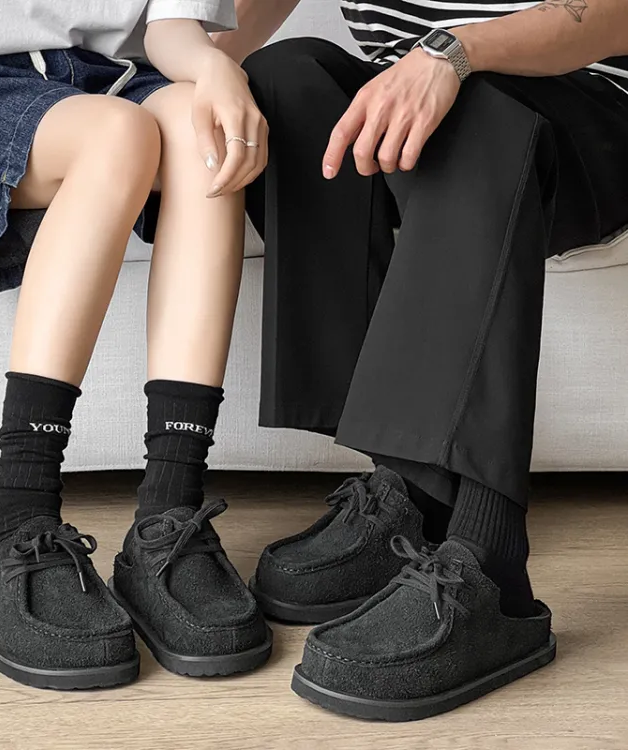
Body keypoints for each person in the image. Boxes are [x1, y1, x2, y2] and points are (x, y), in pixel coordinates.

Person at [215, 0, 628, 720]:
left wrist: (452, 52)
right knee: (285, 76)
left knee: (478, 105)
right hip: (417, 114)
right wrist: (196, 78)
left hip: (584, 106)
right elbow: (237, 26)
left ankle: (493, 569)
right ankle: (411, 489)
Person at [0, 0, 272, 689]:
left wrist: (216, 71)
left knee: (197, 123)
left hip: (107, 77)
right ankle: (18, 512)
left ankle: (170, 508)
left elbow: (172, 28)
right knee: (117, 133)